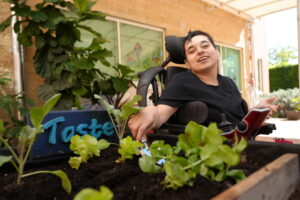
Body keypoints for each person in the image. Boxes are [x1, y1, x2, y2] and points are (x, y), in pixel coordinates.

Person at [128, 30, 279, 141]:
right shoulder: (182, 82)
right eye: (192, 51)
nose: (199, 51)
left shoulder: (228, 82)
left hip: (244, 142)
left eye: (205, 46)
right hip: (213, 149)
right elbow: (160, 115)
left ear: (217, 52)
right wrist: (150, 111)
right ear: (187, 62)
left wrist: (256, 111)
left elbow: (236, 119)